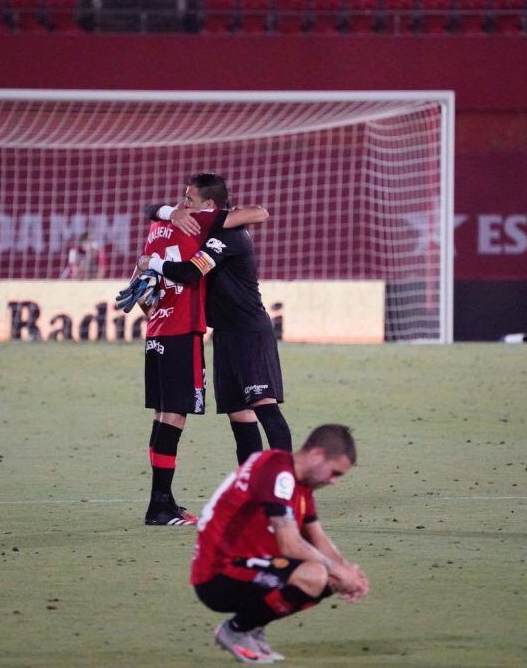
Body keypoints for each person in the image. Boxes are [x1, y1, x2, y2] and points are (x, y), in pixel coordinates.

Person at [127, 176, 268, 526]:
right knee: (174, 416)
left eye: (188, 198)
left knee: (163, 415)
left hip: (157, 329)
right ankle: (160, 505)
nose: (182, 203)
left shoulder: (160, 225)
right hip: (182, 331)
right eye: (183, 199)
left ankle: (162, 502)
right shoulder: (200, 222)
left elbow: (141, 288)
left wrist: (163, 215)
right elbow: (258, 213)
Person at [140, 175, 291, 468]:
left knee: (264, 406)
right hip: (224, 334)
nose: (183, 206)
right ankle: (250, 487)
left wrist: (151, 263)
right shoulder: (210, 229)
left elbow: (189, 273)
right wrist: (168, 212)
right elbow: (150, 208)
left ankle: (287, 486)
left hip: (249, 332)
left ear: (209, 205)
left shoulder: (229, 236)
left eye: (189, 200)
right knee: (240, 414)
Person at [191, 423, 369, 664]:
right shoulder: (277, 472)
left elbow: (317, 537)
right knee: (315, 575)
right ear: (317, 455)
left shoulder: (300, 483)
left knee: (328, 577)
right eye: (335, 472)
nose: (334, 481)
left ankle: (250, 629)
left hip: (248, 565)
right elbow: (290, 544)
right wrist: (337, 570)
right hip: (218, 575)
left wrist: (346, 570)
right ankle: (235, 630)